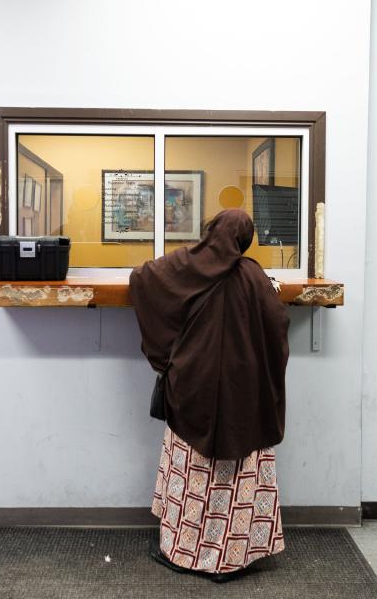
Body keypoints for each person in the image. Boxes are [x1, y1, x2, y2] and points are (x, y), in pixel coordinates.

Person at [128, 209, 290, 583]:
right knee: (234, 478)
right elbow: (277, 326)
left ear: (211, 231)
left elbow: (143, 280)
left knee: (193, 474)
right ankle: (232, 558)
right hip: (243, 397)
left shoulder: (188, 264)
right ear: (244, 239)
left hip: (194, 390)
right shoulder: (253, 275)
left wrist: (165, 353)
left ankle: (185, 552)